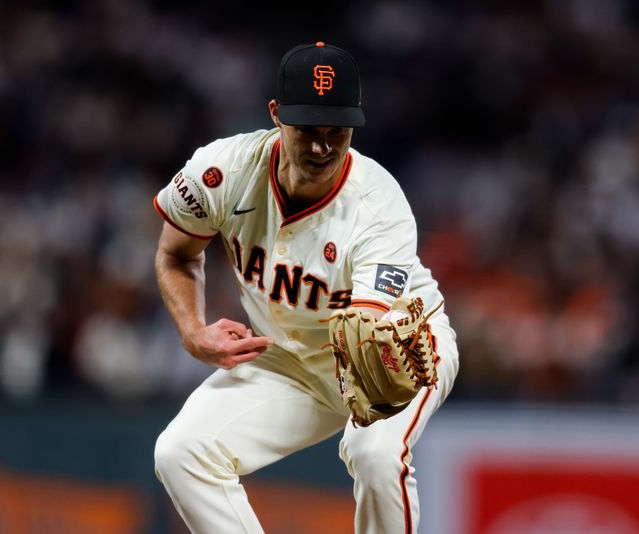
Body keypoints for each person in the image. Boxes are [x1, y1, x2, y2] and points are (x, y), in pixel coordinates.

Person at [152, 41, 459, 533]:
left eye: (336, 131)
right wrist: (192, 329)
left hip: (394, 345)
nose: (322, 146)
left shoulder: (378, 204)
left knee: (375, 454)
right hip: (290, 356)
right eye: (308, 129)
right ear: (276, 114)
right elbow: (176, 254)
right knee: (182, 453)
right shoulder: (221, 172)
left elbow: (366, 331)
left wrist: (374, 370)